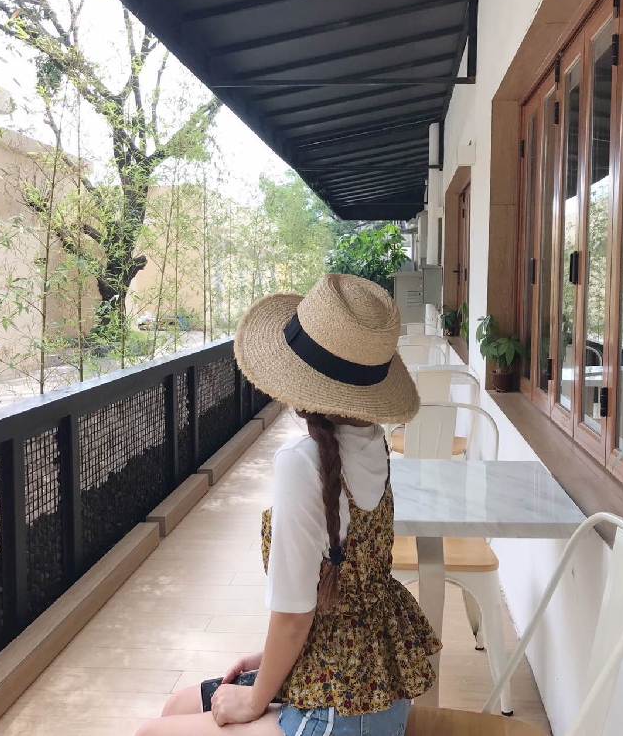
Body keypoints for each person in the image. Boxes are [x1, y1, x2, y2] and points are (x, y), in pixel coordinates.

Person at [136, 274, 441, 736]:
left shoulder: (303, 463)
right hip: (373, 688)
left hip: (339, 714)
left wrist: (256, 697)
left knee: (151, 732)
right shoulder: (373, 440)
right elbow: (334, 606)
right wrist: (268, 660)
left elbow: (296, 616)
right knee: (180, 705)